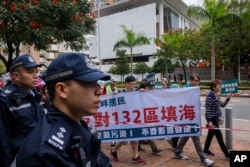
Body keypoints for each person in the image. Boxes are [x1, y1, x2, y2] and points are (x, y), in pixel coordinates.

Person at [16, 52, 112, 167]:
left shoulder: (78, 125)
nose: (99, 91)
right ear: (61, 90)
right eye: (89, 83)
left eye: (97, 83)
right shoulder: (44, 154)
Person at [0, 54, 45, 167]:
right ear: (16, 76)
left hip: (37, 157)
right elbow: (2, 138)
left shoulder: (35, 95)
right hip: (17, 159)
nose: (36, 76)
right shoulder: (5, 99)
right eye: (30, 72)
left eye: (36, 71)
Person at [172, 73, 214, 166]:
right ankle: (203, 158)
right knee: (196, 138)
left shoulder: (195, 89)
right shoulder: (187, 90)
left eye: (198, 80)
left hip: (193, 116)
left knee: (186, 135)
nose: (197, 82)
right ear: (190, 81)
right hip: (189, 117)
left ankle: (177, 152)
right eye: (195, 80)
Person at [110, 75, 146, 164]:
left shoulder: (137, 92)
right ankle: (114, 151)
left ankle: (135, 157)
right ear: (126, 84)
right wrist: (114, 96)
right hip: (124, 120)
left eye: (135, 84)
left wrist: (144, 92)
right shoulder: (120, 92)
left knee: (135, 139)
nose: (134, 86)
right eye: (132, 84)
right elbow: (113, 104)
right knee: (123, 140)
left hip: (134, 119)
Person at [204, 79, 231, 160]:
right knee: (220, 137)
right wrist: (209, 121)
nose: (220, 88)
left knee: (210, 135)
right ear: (213, 87)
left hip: (215, 118)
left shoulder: (216, 95)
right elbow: (207, 109)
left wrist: (228, 99)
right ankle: (227, 155)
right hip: (212, 119)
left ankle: (205, 150)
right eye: (218, 87)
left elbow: (222, 105)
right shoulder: (210, 96)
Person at [137, 78, 163, 155]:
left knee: (142, 131)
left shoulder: (146, 93)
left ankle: (138, 146)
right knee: (147, 131)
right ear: (144, 87)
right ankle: (155, 149)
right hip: (140, 116)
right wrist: (139, 92)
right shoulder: (137, 93)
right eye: (148, 87)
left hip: (145, 115)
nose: (149, 89)